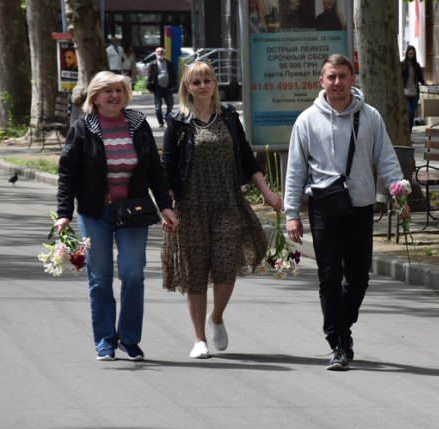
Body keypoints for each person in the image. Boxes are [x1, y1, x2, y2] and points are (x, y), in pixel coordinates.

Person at [284, 54, 409, 371]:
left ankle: (343, 328)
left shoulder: (369, 117)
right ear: (321, 81)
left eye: (343, 76)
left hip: (360, 205)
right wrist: (291, 213)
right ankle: (338, 342)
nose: (337, 82)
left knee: (358, 277)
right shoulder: (307, 120)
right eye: (331, 77)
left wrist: (399, 192)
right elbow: (296, 170)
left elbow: (386, 159)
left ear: (353, 79)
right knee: (329, 275)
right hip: (324, 208)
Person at [161, 61, 283, 359]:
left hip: (228, 202)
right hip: (191, 206)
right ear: (186, 88)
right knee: (196, 272)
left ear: (215, 84)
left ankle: (216, 317)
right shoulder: (178, 121)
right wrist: (166, 207)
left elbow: (247, 159)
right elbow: (166, 167)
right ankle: (199, 339)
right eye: (196, 82)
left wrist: (267, 192)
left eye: (207, 80)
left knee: (226, 265)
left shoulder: (228, 116)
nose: (202, 86)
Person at [54, 71, 178, 361]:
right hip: (94, 213)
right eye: (107, 91)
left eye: (120, 90)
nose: (115, 95)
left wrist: (166, 206)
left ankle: (130, 339)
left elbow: (155, 172)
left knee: (133, 273)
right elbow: (67, 174)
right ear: (94, 97)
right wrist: (64, 213)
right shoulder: (83, 127)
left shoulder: (137, 124)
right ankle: (105, 341)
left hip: (132, 212)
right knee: (100, 278)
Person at [146, 47, 177, 128]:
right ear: (155, 54)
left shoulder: (169, 64)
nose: (160, 54)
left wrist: (173, 84)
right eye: (158, 52)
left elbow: (173, 74)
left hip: (168, 88)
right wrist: (150, 87)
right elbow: (149, 76)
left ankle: (166, 117)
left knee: (170, 105)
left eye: (161, 52)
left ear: (164, 53)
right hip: (157, 88)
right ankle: (161, 122)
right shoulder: (152, 64)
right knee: (158, 107)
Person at [401, 45, 426, 132]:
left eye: (413, 53)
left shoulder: (416, 66)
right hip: (405, 93)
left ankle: (410, 132)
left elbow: (420, 77)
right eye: (409, 53)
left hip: (415, 93)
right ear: (407, 53)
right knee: (409, 112)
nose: (411, 55)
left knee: (412, 115)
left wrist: (424, 82)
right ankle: (407, 131)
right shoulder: (402, 65)